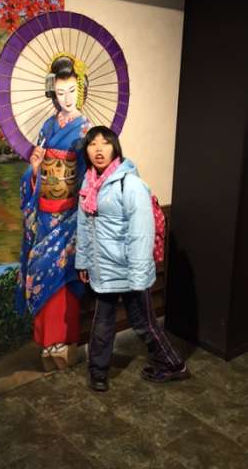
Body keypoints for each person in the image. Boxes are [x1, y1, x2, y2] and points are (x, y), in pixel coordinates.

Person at [75, 125, 190, 391]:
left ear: (115, 148)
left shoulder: (131, 183)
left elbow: (141, 233)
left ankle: (173, 365)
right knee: (102, 321)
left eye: (105, 143)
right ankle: (98, 373)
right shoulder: (88, 183)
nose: (99, 149)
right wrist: (83, 261)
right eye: (92, 144)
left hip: (129, 269)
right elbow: (84, 226)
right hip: (103, 269)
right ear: (86, 150)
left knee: (143, 323)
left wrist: (138, 277)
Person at [16, 53, 92, 370]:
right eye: (60, 93)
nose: (67, 99)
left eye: (72, 91)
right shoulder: (47, 126)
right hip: (45, 215)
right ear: (53, 93)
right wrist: (34, 169)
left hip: (70, 216)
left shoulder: (86, 130)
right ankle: (47, 342)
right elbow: (32, 173)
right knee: (41, 272)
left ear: (80, 89)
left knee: (62, 277)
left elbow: (89, 177)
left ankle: (64, 341)